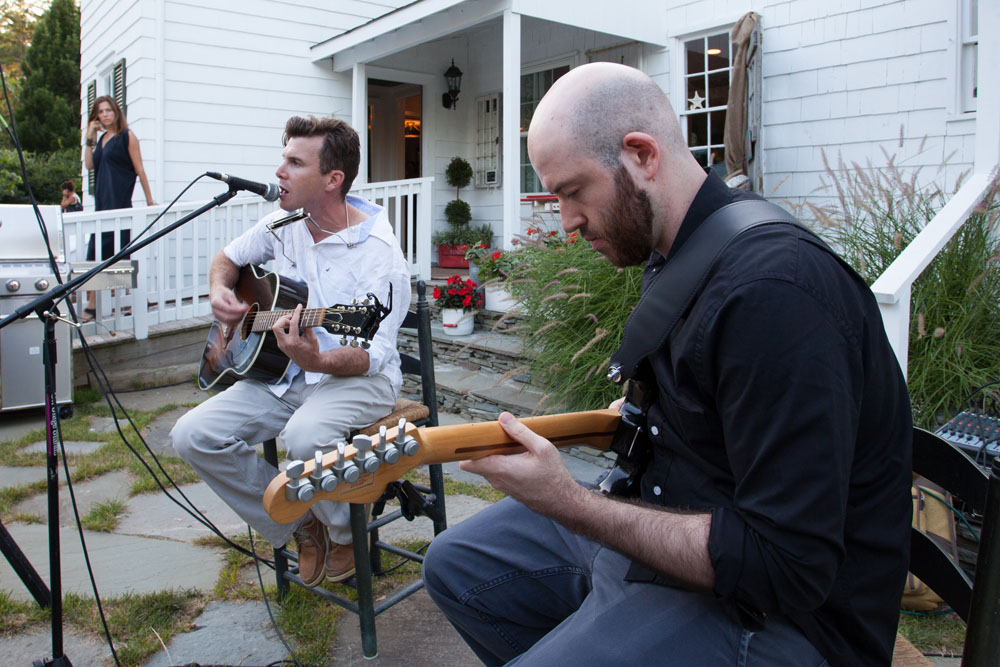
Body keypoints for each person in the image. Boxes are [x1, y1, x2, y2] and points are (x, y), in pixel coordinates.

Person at [422, 62, 912, 667]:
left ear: (641, 155)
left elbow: (786, 566)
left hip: (785, 619)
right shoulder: (680, 247)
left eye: (573, 192)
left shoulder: (773, 296)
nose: (566, 222)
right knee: (455, 564)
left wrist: (569, 501)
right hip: (677, 512)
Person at [171, 116, 410, 586]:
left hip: (356, 379)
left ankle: (343, 535)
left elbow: (371, 355)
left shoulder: (380, 255)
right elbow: (228, 259)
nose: (279, 170)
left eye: (294, 162)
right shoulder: (282, 224)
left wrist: (316, 359)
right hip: (283, 374)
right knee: (191, 435)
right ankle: (299, 524)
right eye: (283, 158)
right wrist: (222, 292)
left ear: (332, 179)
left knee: (303, 436)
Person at [82, 95, 155, 321]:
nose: (104, 115)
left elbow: (140, 169)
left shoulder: (127, 137)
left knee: (122, 256)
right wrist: (89, 137)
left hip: (119, 204)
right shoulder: (101, 139)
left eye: (107, 110)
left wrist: (150, 200)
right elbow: (89, 164)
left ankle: (116, 303)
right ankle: (95, 302)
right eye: (100, 112)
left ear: (116, 112)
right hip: (102, 207)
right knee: (95, 256)